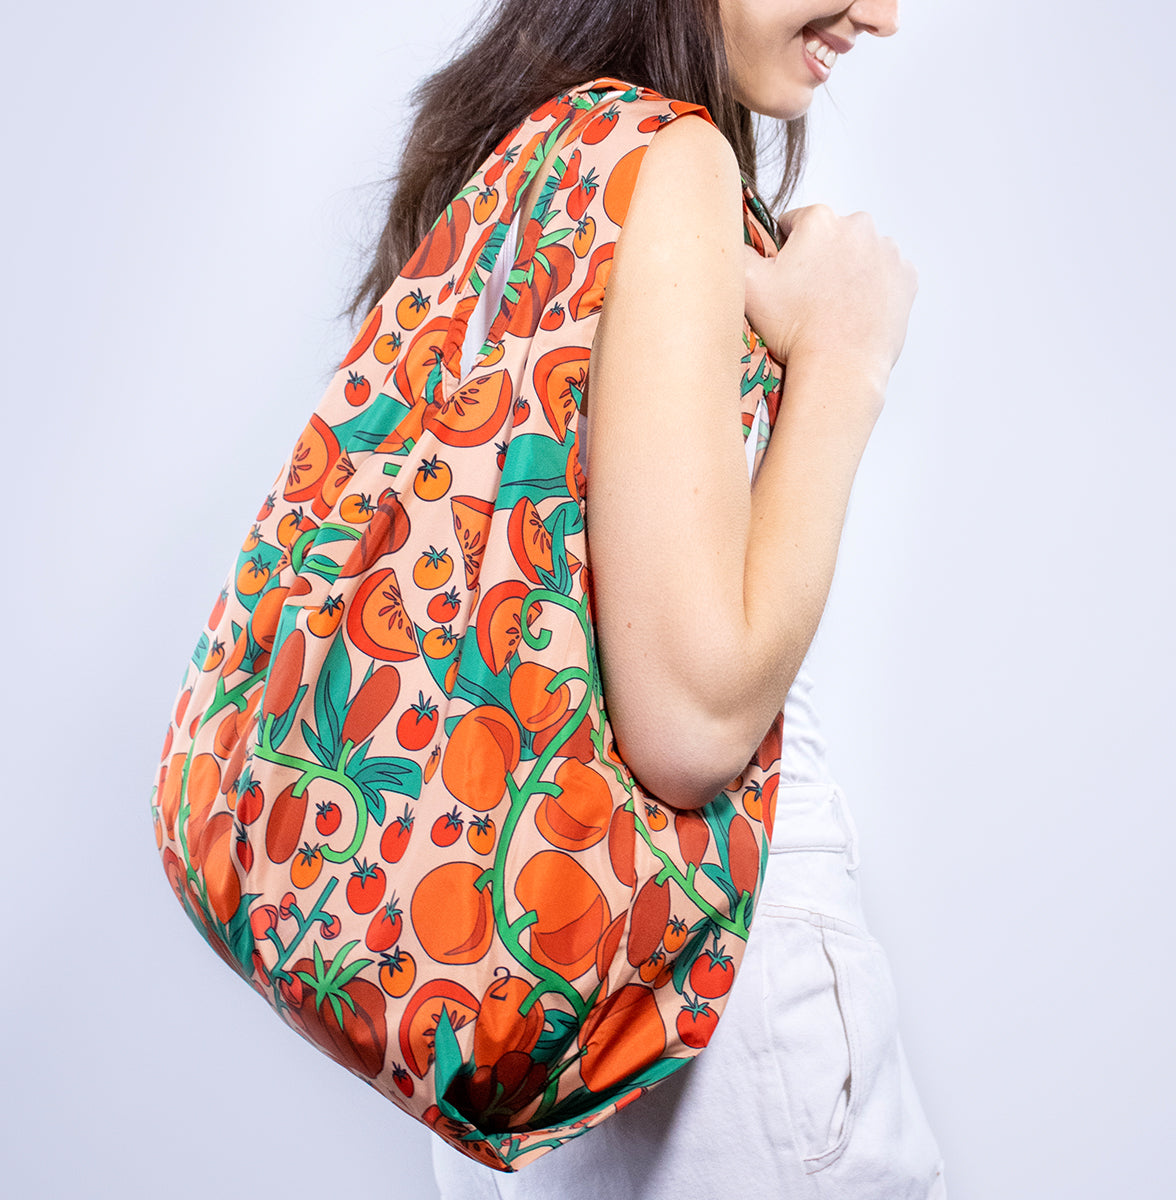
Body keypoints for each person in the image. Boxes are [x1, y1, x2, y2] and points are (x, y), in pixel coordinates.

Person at [332, 0, 947, 1196]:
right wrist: (846, 357)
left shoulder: (518, 150)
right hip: (707, 1020)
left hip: (520, 1003)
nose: (879, 13)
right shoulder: (668, 163)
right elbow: (692, 726)